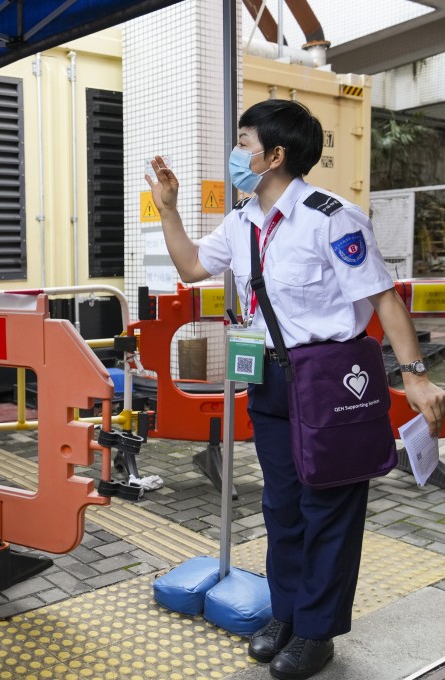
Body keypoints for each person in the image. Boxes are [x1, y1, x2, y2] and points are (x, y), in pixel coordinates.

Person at [145, 99, 445, 680]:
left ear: (274, 155)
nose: (236, 153)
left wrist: (415, 376)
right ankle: (285, 615)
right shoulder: (242, 221)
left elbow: (383, 297)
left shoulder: (331, 216)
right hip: (271, 375)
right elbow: (189, 268)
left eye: (243, 142)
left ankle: (316, 632)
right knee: (281, 506)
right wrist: (169, 210)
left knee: (328, 505)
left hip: (332, 374)